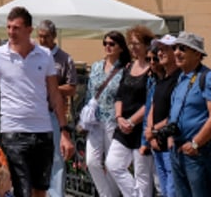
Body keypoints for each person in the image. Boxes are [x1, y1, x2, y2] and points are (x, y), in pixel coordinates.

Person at [0, 7, 72, 197]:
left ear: (29, 30)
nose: (11, 32)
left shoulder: (45, 55)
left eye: (16, 28)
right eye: (9, 27)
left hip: (43, 131)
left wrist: (64, 132)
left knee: (40, 191)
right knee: (22, 190)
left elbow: (54, 93)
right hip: (13, 132)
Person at [166, 32, 211, 197]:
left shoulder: (208, 77)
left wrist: (196, 143)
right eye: (175, 48)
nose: (176, 52)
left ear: (197, 53)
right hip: (178, 150)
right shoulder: (181, 78)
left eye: (182, 49)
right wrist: (171, 139)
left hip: (199, 153)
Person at [107, 26, 155, 197]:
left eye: (137, 43)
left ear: (146, 45)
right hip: (123, 125)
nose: (133, 47)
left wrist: (132, 121)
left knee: (142, 174)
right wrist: (119, 117)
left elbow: (150, 101)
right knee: (113, 163)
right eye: (131, 44)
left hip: (141, 127)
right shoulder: (128, 67)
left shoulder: (152, 69)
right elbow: (119, 95)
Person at [82, 31, 129, 197]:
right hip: (95, 121)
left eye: (112, 44)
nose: (107, 46)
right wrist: (84, 118)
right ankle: (106, 194)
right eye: (105, 43)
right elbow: (89, 93)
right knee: (92, 161)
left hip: (112, 121)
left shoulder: (124, 70)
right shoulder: (95, 66)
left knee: (111, 164)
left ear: (121, 48)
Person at [37, 20, 77, 197]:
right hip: (34, 113)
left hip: (54, 114)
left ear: (53, 37)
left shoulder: (64, 58)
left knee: (55, 159)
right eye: (39, 36)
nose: (42, 40)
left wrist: (53, 87)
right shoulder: (33, 55)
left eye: (45, 37)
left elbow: (72, 87)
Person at [144, 35, 179, 197]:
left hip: (170, 143)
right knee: (164, 189)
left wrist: (154, 131)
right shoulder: (162, 79)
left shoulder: (178, 79)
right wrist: (151, 133)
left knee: (172, 190)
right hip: (157, 142)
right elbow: (153, 107)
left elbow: (176, 112)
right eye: (159, 49)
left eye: (166, 49)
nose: (160, 53)